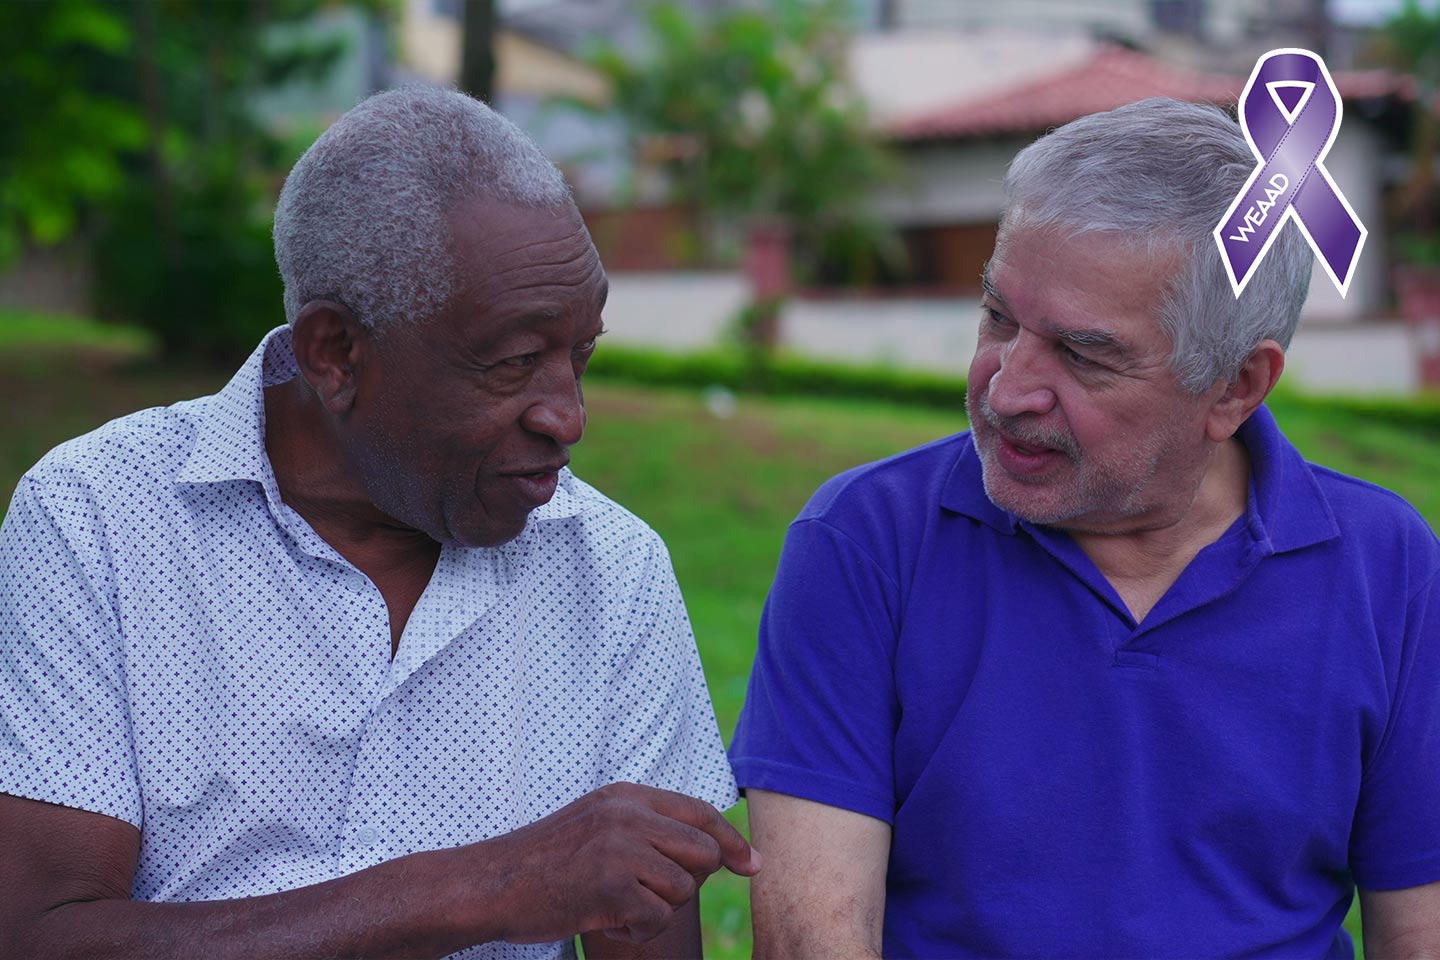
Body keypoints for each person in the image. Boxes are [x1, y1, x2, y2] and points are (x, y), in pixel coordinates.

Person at [0, 86, 759, 960]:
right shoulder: (98, 516)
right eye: (515, 361)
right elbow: (39, 937)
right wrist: (489, 887)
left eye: (581, 355)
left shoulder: (610, 569)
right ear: (335, 353)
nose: (568, 417)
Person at [729, 97, 1440, 958]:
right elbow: (814, 942)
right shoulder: (866, 541)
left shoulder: (1385, 565)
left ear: (1234, 388)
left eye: (1083, 354)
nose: (1006, 389)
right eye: (999, 319)